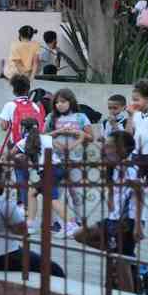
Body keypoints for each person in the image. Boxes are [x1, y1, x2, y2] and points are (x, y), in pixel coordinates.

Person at [73, 131, 143, 293]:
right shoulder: (114, 167)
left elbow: (138, 196)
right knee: (80, 235)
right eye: (107, 146)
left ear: (124, 149)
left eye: (111, 147)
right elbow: (112, 197)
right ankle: (117, 251)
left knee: (121, 264)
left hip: (128, 220)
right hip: (113, 219)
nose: (107, 149)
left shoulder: (130, 168)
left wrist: (138, 225)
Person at [45, 88, 94, 237]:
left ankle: (79, 222)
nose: (60, 105)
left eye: (63, 102)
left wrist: (78, 133)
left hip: (75, 160)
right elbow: (44, 135)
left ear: (71, 102)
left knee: (75, 192)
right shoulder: (51, 117)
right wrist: (57, 133)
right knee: (56, 194)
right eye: (57, 102)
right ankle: (57, 223)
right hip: (56, 160)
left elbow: (91, 137)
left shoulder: (81, 117)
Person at [10, 118, 68, 233]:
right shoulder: (47, 138)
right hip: (58, 168)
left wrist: (19, 158)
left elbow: (10, 155)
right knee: (32, 192)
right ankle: (30, 224)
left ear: (23, 129)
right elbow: (63, 149)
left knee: (53, 200)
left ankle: (71, 225)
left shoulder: (23, 142)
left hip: (48, 171)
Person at [0, 75, 46, 206]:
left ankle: (22, 204)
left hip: (18, 144)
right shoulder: (36, 106)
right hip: (36, 144)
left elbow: (3, 126)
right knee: (38, 172)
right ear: (28, 89)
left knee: (20, 174)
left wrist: (9, 124)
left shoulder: (10, 105)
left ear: (14, 90)